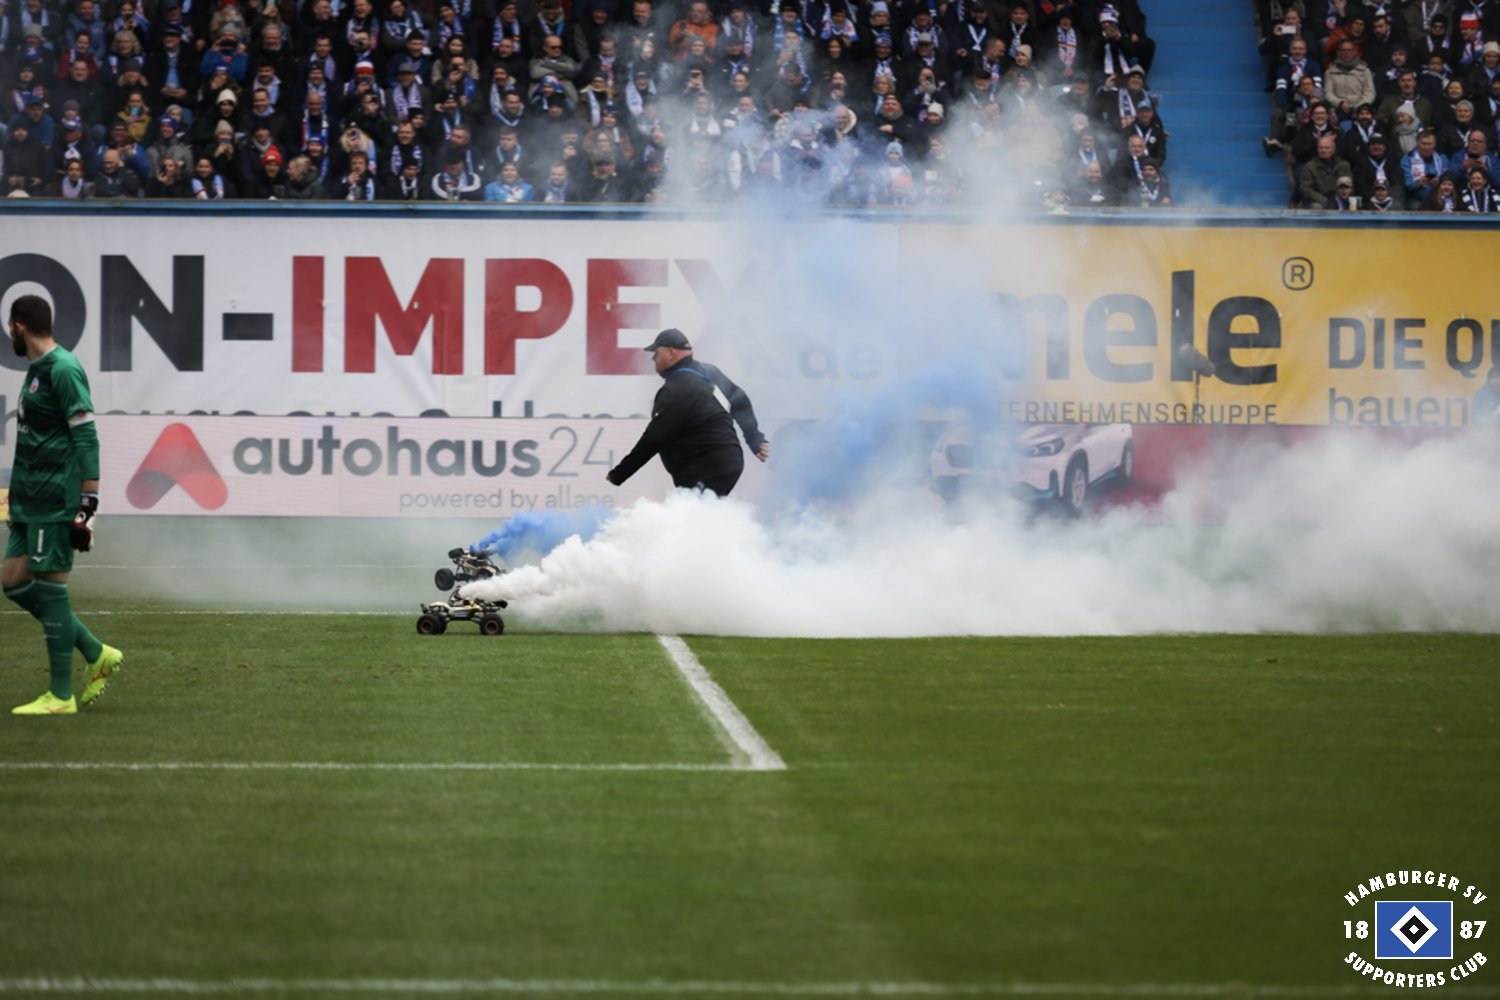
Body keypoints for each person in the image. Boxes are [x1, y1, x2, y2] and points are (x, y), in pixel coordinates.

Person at [5, 295, 123, 716]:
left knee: (51, 586)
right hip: (28, 498)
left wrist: (88, 503)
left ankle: (60, 695)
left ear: (18, 325)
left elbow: (86, 436)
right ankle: (96, 651)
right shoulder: (38, 370)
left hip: (55, 497)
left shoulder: (64, 368)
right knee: (14, 580)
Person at [606, 328, 769, 497]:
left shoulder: (678, 389)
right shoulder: (707, 371)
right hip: (727, 460)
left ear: (670, 353)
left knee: (695, 518)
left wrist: (619, 474)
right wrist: (754, 437)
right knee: (702, 514)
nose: (653, 358)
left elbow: (654, 438)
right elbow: (739, 400)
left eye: (656, 353)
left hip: (705, 466)